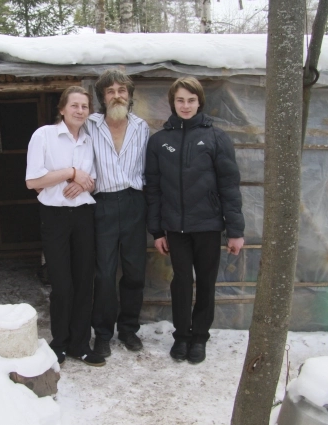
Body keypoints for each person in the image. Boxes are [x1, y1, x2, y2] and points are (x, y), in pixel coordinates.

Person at [145, 77, 245, 364]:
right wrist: (157, 231)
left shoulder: (216, 138)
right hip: (175, 229)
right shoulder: (159, 141)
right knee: (181, 282)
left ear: (199, 101)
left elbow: (229, 186)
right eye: (180, 100)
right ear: (172, 102)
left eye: (191, 100)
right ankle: (182, 336)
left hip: (208, 226)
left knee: (205, 282)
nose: (185, 105)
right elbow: (153, 188)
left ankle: (200, 337)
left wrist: (235, 231)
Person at [25, 86, 105, 367]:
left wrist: (81, 181)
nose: (80, 110)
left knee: (85, 282)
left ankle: (80, 345)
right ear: (62, 109)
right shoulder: (44, 135)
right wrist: (71, 174)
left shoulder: (90, 140)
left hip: (83, 214)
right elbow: (33, 181)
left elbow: (93, 179)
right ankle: (58, 344)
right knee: (62, 284)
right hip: (55, 216)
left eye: (85, 106)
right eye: (74, 105)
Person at [87, 69, 150, 357]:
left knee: (135, 272)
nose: (116, 95)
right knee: (104, 274)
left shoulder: (142, 127)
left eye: (121, 90)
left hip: (135, 202)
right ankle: (102, 333)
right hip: (102, 205)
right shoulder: (89, 125)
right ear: (102, 96)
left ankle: (128, 329)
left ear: (129, 94)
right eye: (110, 91)